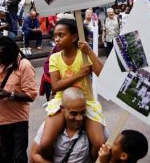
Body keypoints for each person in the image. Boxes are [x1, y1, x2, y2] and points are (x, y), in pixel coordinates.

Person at [39, 18, 106, 161]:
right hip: (62, 103)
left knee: (99, 143)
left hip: (86, 102)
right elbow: (56, 86)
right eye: (55, 35)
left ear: (74, 36)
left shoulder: (84, 55)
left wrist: (89, 52)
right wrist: (80, 74)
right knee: (44, 144)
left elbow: (102, 74)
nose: (56, 39)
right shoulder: (55, 58)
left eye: (61, 35)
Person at [0, 36, 37, 162]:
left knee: (19, 157)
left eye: (1, 55)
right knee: (3, 155)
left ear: (9, 51)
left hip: (18, 120)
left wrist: (9, 94)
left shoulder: (24, 65)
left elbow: (30, 95)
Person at [30, 87, 92, 163]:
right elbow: (33, 155)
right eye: (73, 113)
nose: (79, 118)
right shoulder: (50, 127)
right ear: (62, 109)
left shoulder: (92, 132)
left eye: (83, 112)